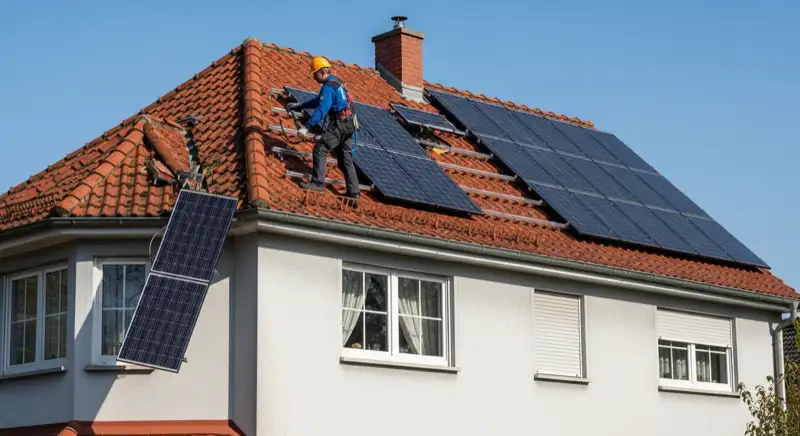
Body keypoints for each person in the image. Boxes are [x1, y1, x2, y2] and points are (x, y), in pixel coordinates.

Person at [287, 56, 360, 202]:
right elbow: (319, 100)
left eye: (315, 74)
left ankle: (318, 183)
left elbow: (322, 109)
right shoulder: (337, 83)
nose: (314, 77)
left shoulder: (327, 86)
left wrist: (305, 127)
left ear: (323, 72)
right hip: (351, 124)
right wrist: (301, 105)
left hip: (340, 124)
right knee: (345, 158)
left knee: (320, 148)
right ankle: (354, 193)